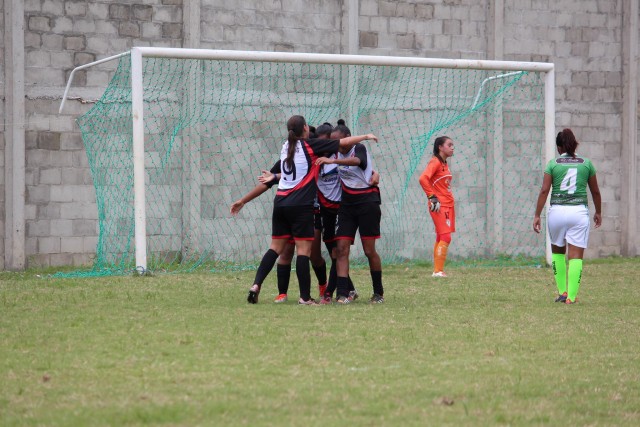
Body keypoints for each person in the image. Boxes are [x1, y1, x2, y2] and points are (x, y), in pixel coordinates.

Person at [247, 115, 378, 305]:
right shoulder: (308, 148)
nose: (330, 145)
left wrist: (249, 196)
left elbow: (355, 160)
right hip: (307, 207)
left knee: (326, 252)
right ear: (307, 131)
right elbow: (281, 174)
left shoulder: (292, 147)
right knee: (304, 252)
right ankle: (300, 295)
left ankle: (332, 290)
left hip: (313, 206)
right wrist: (366, 135)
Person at [317, 122, 384, 304]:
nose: (337, 145)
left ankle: (378, 292)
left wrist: (334, 161)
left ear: (348, 138)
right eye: (334, 142)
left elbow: (358, 162)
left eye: (339, 141)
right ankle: (343, 293)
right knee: (341, 249)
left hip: (367, 202)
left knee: (369, 251)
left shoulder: (358, 148)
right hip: (347, 205)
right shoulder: (334, 152)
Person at [533, 128, 602, 304]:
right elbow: (595, 191)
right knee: (575, 256)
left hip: (557, 211)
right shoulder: (586, 163)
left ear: (558, 148)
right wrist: (598, 212)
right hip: (578, 212)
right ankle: (571, 297)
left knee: (557, 253)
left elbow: (544, 190)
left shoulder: (553, 164)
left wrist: (537, 215)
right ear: (574, 144)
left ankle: (562, 292)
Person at [419, 136, 455, 277]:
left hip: (448, 204)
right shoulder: (435, 162)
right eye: (449, 145)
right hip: (440, 205)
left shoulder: (444, 163)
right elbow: (423, 178)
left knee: (441, 236)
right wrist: (432, 197)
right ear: (440, 147)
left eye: (453, 145)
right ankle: (438, 271)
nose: (452, 147)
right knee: (446, 237)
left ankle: (438, 270)